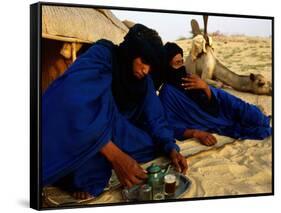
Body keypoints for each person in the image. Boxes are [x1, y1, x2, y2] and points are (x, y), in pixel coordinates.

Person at [42, 24, 187, 200]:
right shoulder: (102, 56)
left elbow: (156, 117)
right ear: (131, 52)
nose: (146, 70)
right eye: (144, 62)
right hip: (84, 127)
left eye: (151, 66)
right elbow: (70, 100)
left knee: (152, 144)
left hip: (118, 131)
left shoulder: (143, 80)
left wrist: (171, 148)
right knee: (86, 166)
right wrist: (116, 156)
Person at [158, 42, 271, 146]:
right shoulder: (167, 93)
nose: (182, 66)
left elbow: (214, 102)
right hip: (213, 122)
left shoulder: (188, 78)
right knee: (261, 131)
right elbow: (171, 125)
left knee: (258, 118)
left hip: (223, 107)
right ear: (168, 66)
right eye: (177, 63)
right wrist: (196, 133)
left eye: (182, 61)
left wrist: (205, 87)